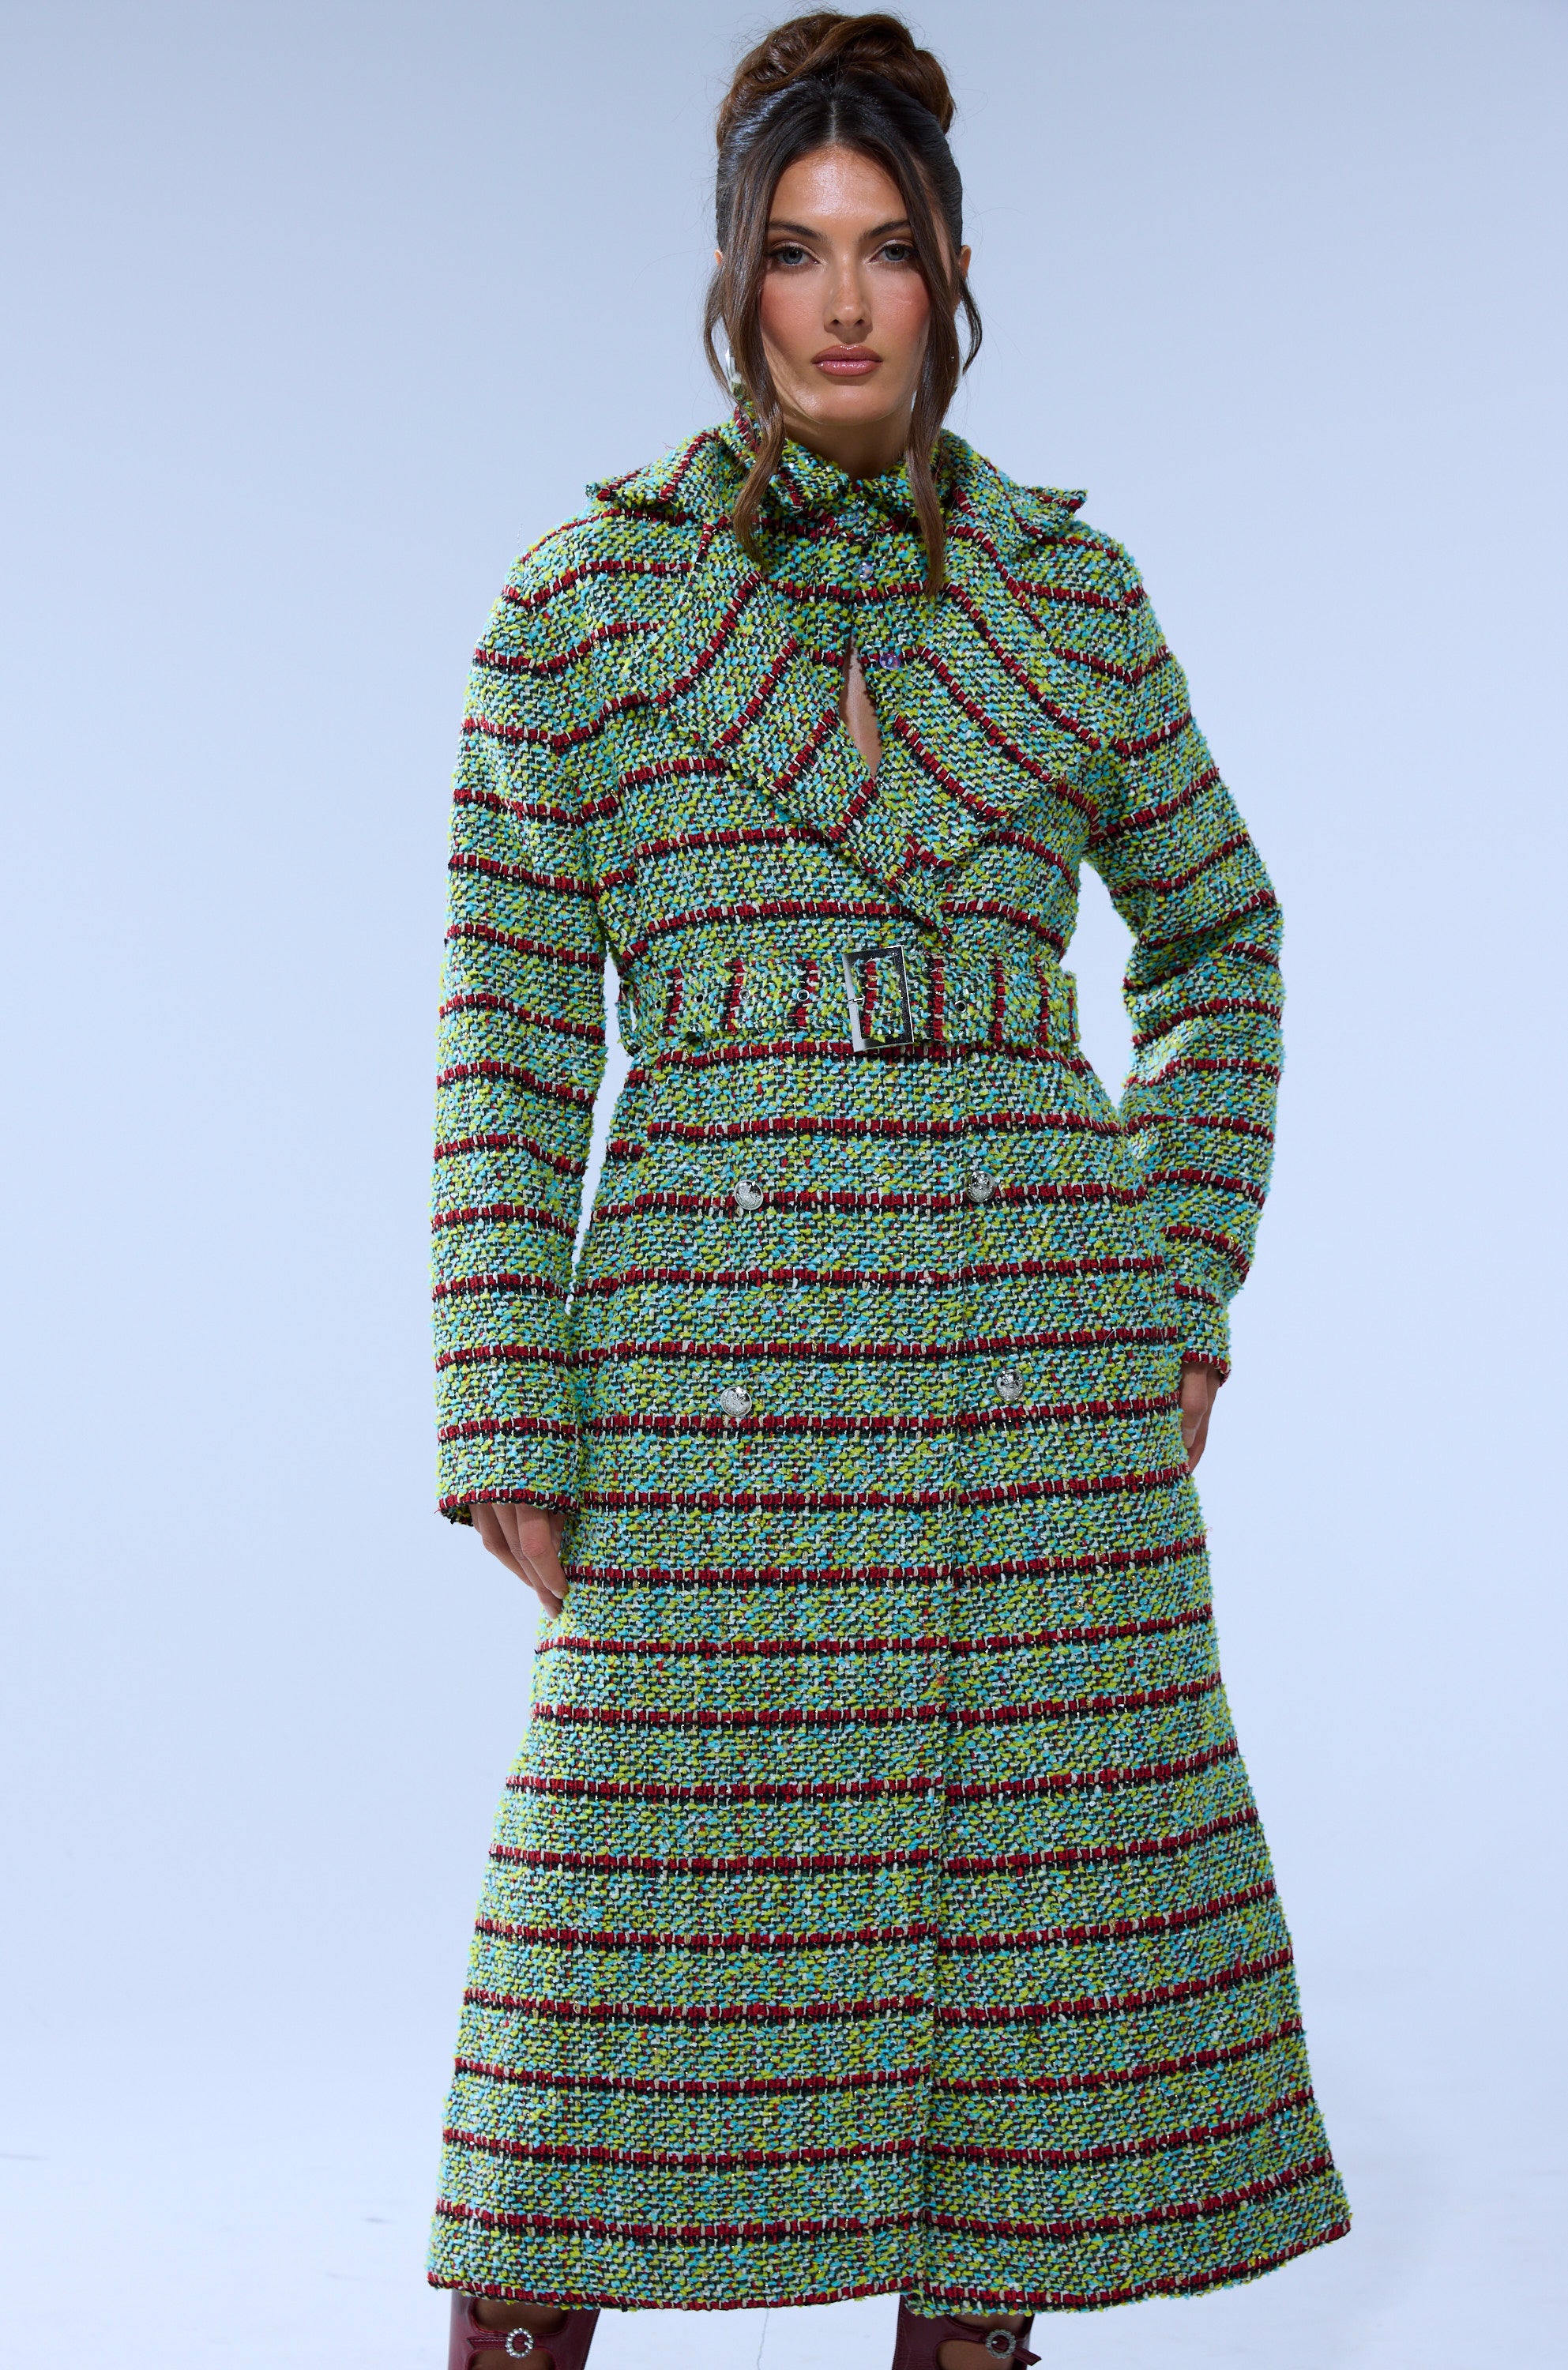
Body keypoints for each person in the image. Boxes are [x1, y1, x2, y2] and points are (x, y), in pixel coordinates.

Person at [427, 13, 1350, 2366]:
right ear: (730, 282)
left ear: (953, 278)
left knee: (1010, 2004)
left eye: (891, 253)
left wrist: (1173, 1276)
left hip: (1028, 1353)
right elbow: (515, 1035)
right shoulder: (581, 606)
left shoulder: (1068, 593)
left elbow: (1218, 934)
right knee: (590, 2011)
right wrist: (504, 1412)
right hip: (712, 1354)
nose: (842, 303)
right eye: (793, 253)